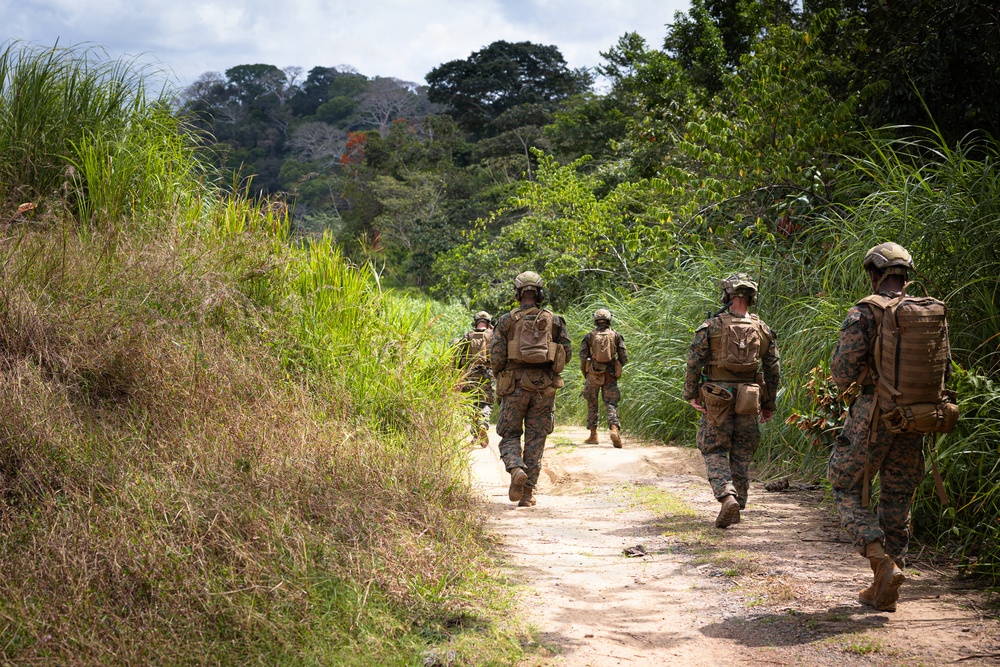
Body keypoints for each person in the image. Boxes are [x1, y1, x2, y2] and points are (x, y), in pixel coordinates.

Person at [828, 242, 954, 612]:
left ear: (874, 273)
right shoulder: (928, 313)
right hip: (917, 416)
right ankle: (889, 581)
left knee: (844, 483)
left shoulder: (865, 312)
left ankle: (880, 561)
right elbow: (946, 369)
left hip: (874, 415)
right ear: (905, 275)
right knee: (898, 498)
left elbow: (841, 373)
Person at [683, 273, 781, 528]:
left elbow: (694, 362)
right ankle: (739, 500)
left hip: (717, 396)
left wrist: (691, 393)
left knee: (714, 448)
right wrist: (768, 404)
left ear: (727, 294)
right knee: (742, 450)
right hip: (750, 396)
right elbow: (773, 369)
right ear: (751, 297)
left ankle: (727, 496)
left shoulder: (711, 326)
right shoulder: (762, 329)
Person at [491, 271, 572, 507]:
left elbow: (496, 358)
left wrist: (501, 380)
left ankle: (516, 468)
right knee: (536, 439)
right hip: (543, 388)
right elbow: (566, 355)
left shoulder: (506, 321)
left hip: (514, 385)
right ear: (539, 294)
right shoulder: (554, 320)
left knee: (509, 434)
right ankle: (527, 494)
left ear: (518, 294)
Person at [579, 308, 628, 447]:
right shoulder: (616, 335)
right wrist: (616, 366)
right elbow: (624, 357)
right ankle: (614, 429)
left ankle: (593, 435)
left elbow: (583, 357)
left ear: (595, 320)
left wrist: (586, 373)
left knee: (592, 403)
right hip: (610, 374)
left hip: (593, 373)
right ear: (609, 320)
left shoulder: (589, 336)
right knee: (611, 403)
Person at [450, 311, 495, 447]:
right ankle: (483, 424)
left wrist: (456, 377)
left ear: (475, 322)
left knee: (472, 404)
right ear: (488, 322)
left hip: (470, 375)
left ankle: (476, 434)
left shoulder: (468, 336)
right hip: (487, 374)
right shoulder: (492, 335)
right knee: (486, 403)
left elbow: (457, 357)